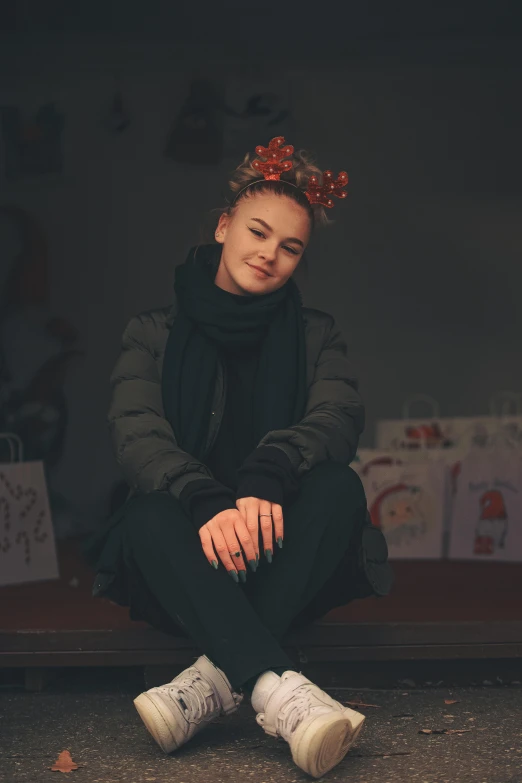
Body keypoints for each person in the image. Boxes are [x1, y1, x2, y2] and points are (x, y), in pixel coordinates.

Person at [82, 136, 393, 779]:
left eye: (291, 247)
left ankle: (207, 686)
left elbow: (337, 418)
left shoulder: (316, 333)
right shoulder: (152, 332)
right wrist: (206, 498)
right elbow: (136, 434)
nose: (269, 254)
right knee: (146, 515)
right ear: (224, 226)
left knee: (337, 486)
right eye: (257, 232)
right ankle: (283, 696)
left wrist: (267, 477)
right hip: (190, 556)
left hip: (278, 553)